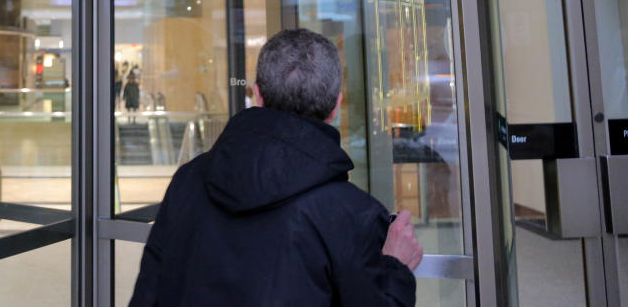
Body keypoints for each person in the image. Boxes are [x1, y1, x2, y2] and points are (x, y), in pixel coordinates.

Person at [129, 28, 422, 306]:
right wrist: (395, 270)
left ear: (257, 94)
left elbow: (149, 294)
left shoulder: (188, 180)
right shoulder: (352, 213)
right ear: (336, 106)